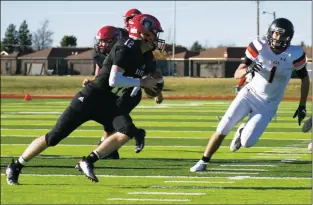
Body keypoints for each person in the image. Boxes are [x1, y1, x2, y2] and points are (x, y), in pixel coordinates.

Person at [5, 14, 165, 185]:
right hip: (90, 98)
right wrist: (142, 82)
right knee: (53, 138)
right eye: (154, 33)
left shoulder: (146, 56)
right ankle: (15, 166)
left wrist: (156, 89)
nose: (157, 38)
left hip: (109, 103)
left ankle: (87, 161)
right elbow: (114, 80)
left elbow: (151, 80)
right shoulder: (125, 47)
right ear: (143, 33)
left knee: (127, 131)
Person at [190, 18, 310, 172]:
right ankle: (203, 161)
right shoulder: (259, 46)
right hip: (249, 95)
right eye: (274, 33)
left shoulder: (294, 54)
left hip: (268, 104)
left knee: (248, 142)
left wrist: (302, 105)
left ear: (287, 38)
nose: (276, 37)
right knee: (223, 127)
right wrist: (248, 69)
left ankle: (241, 132)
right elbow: (236, 74)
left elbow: (305, 79)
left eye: (280, 35)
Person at [74, 13, 165, 182]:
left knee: (119, 124)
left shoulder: (140, 49)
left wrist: (156, 90)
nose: (102, 44)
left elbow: (150, 73)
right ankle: (104, 149)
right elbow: (106, 72)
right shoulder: (123, 44)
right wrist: (93, 82)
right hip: (111, 91)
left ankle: (102, 151)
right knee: (118, 124)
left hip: (128, 91)